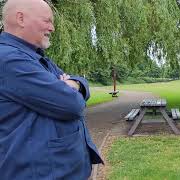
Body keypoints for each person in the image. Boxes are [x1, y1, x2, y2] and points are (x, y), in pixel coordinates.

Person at [0, 0, 103, 179]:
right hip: (38, 173)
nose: (52, 28)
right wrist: (68, 87)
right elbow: (72, 104)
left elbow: (79, 82)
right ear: (21, 18)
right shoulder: (9, 60)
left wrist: (74, 84)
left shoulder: (34, 56)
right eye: (47, 21)